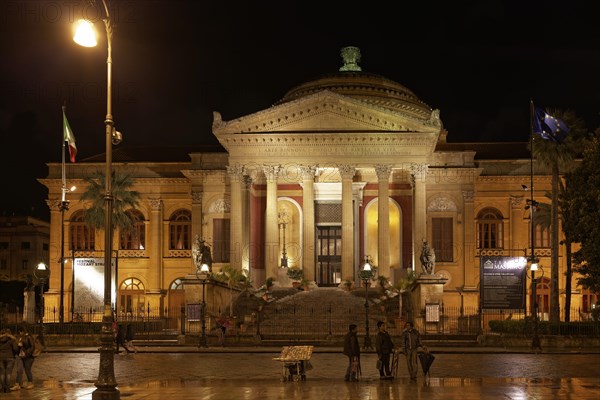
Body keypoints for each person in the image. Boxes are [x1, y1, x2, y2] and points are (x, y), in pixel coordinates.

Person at [12, 326, 35, 390]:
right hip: (20, 356)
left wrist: (26, 353)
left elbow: (32, 347)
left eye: (20, 331)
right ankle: (18, 384)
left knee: (27, 370)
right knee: (19, 370)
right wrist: (17, 347)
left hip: (28, 357)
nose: (20, 333)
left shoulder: (29, 337)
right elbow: (17, 346)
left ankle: (30, 383)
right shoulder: (19, 337)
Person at [0, 329, 18, 393]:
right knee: (8, 373)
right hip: (10, 357)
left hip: (1, 357)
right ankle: (7, 388)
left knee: (2, 373)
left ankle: (2, 388)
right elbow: (15, 349)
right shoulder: (11, 340)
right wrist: (15, 354)